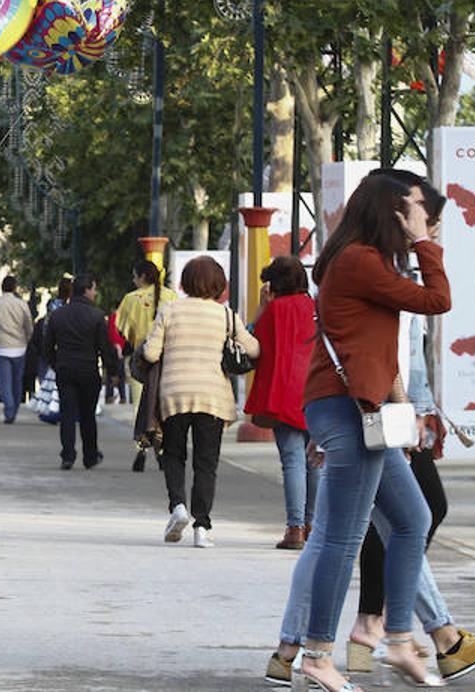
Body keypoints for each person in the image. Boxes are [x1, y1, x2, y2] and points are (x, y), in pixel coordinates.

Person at [267, 172, 448, 692]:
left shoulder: (363, 260)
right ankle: (319, 653)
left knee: (414, 518)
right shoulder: (360, 261)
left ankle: (397, 641)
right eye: (415, 208)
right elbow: (437, 300)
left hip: (357, 411)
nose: (424, 218)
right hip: (346, 412)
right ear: (392, 210)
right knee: (341, 540)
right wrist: (423, 244)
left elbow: (376, 350)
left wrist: (403, 408)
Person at [343, 175, 475, 684]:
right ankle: (415, 632)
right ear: (398, 214)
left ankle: (381, 627)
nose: (432, 229)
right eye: (426, 218)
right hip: (380, 410)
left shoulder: (382, 263)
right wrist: (405, 416)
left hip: (394, 409)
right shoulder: (370, 263)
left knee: (397, 521)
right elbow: (431, 309)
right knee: (401, 520)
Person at [141, 256, 257, 549]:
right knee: (207, 463)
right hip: (212, 398)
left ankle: (177, 506)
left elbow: (152, 354)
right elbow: (253, 348)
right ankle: (201, 526)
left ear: (185, 282)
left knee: (174, 454)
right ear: (219, 284)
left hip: (174, 394)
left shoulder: (170, 310)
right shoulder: (226, 316)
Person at [243, 255, 318, 550]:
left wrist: (261, 308)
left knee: (293, 462)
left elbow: (250, 345)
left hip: (284, 395)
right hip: (318, 393)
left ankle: (294, 528)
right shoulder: (316, 309)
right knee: (316, 462)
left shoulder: (274, 312)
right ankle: (313, 525)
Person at [41, 273, 119, 469]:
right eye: (94, 289)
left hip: (65, 369)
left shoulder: (58, 315)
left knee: (66, 414)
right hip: (88, 369)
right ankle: (90, 455)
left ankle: (68, 455)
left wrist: (55, 363)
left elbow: (47, 346)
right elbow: (104, 346)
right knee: (87, 415)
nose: (95, 293)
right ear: (86, 290)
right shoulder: (96, 316)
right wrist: (112, 371)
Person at [117, 260, 176, 472]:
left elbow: (124, 331)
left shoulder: (131, 299)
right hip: (168, 361)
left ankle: (141, 447)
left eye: (135, 276)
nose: (134, 281)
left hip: (142, 362)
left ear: (142, 277)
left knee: (140, 406)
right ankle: (162, 447)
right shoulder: (172, 297)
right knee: (164, 407)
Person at [0, 276, 33, 423]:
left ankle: (9, 409)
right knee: (17, 381)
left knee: (4, 381)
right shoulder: (21, 305)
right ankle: (15, 408)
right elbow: (28, 325)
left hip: (1, 347)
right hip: (19, 346)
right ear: (14, 288)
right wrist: (26, 338)